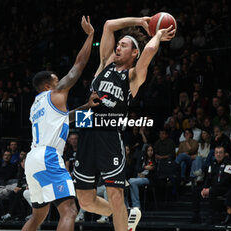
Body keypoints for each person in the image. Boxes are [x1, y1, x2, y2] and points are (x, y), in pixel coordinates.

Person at [73, 16, 175, 231]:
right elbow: (109, 24)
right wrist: (140, 21)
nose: (118, 47)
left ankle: (122, 216)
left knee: (116, 196)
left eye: (124, 45)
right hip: (85, 136)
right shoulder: (103, 65)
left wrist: (156, 34)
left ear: (134, 53)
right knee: (85, 201)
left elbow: (148, 54)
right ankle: (124, 216)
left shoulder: (133, 77)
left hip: (109, 138)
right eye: (118, 44)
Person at [22, 16, 95, 231]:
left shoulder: (36, 105)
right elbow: (79, 65)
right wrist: (91, 35)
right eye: (56, 81)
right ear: (48, 86)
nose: (60, 83)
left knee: (38, 215)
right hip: (48, 156)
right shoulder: (55, 93)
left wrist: (86, 107)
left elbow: (65, 117)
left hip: (33, 159)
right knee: (70, 210)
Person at [191, 146, 231, 225]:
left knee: (212, 191)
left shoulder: (229, 164)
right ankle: (196, 215)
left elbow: (225, 181)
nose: (218, 154)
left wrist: (209, 189)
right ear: (214, 154)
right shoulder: (212, 164)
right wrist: (204, 188)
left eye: (221, 152)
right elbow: (208, 179)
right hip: (214, 188)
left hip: (226, 188)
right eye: (216, 153)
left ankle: (211, 216)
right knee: (196, 191)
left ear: (225, 154)